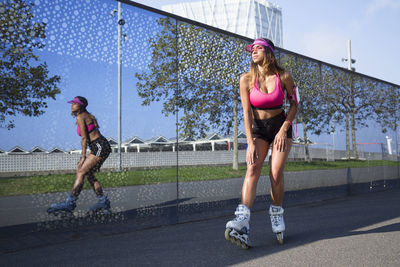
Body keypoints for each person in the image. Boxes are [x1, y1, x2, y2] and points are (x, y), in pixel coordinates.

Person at [225, 38, 298, 248]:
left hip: (280, 127)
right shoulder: (246, 79)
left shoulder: (284, 76)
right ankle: (242, 220)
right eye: (252, 49)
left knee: (275, 172)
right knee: (252, 168)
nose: (253, 52)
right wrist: (249, 141)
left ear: (269, 52)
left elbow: (295, 104)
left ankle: (276, 212)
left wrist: (285, 128)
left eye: (258, 48)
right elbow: (246, 113)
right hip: (257, 128)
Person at [47, 96, 112, 215]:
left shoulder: (80, 116)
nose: (72, 105)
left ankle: (70, 203)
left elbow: (84, 138)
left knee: (81, 172)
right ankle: (103, 201)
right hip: (100, 145)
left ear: (81, 105)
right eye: (72, 103)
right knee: (88, 174)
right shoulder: (87, 115)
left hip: (99, 146)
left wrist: (83, 157)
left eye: (75, 103)